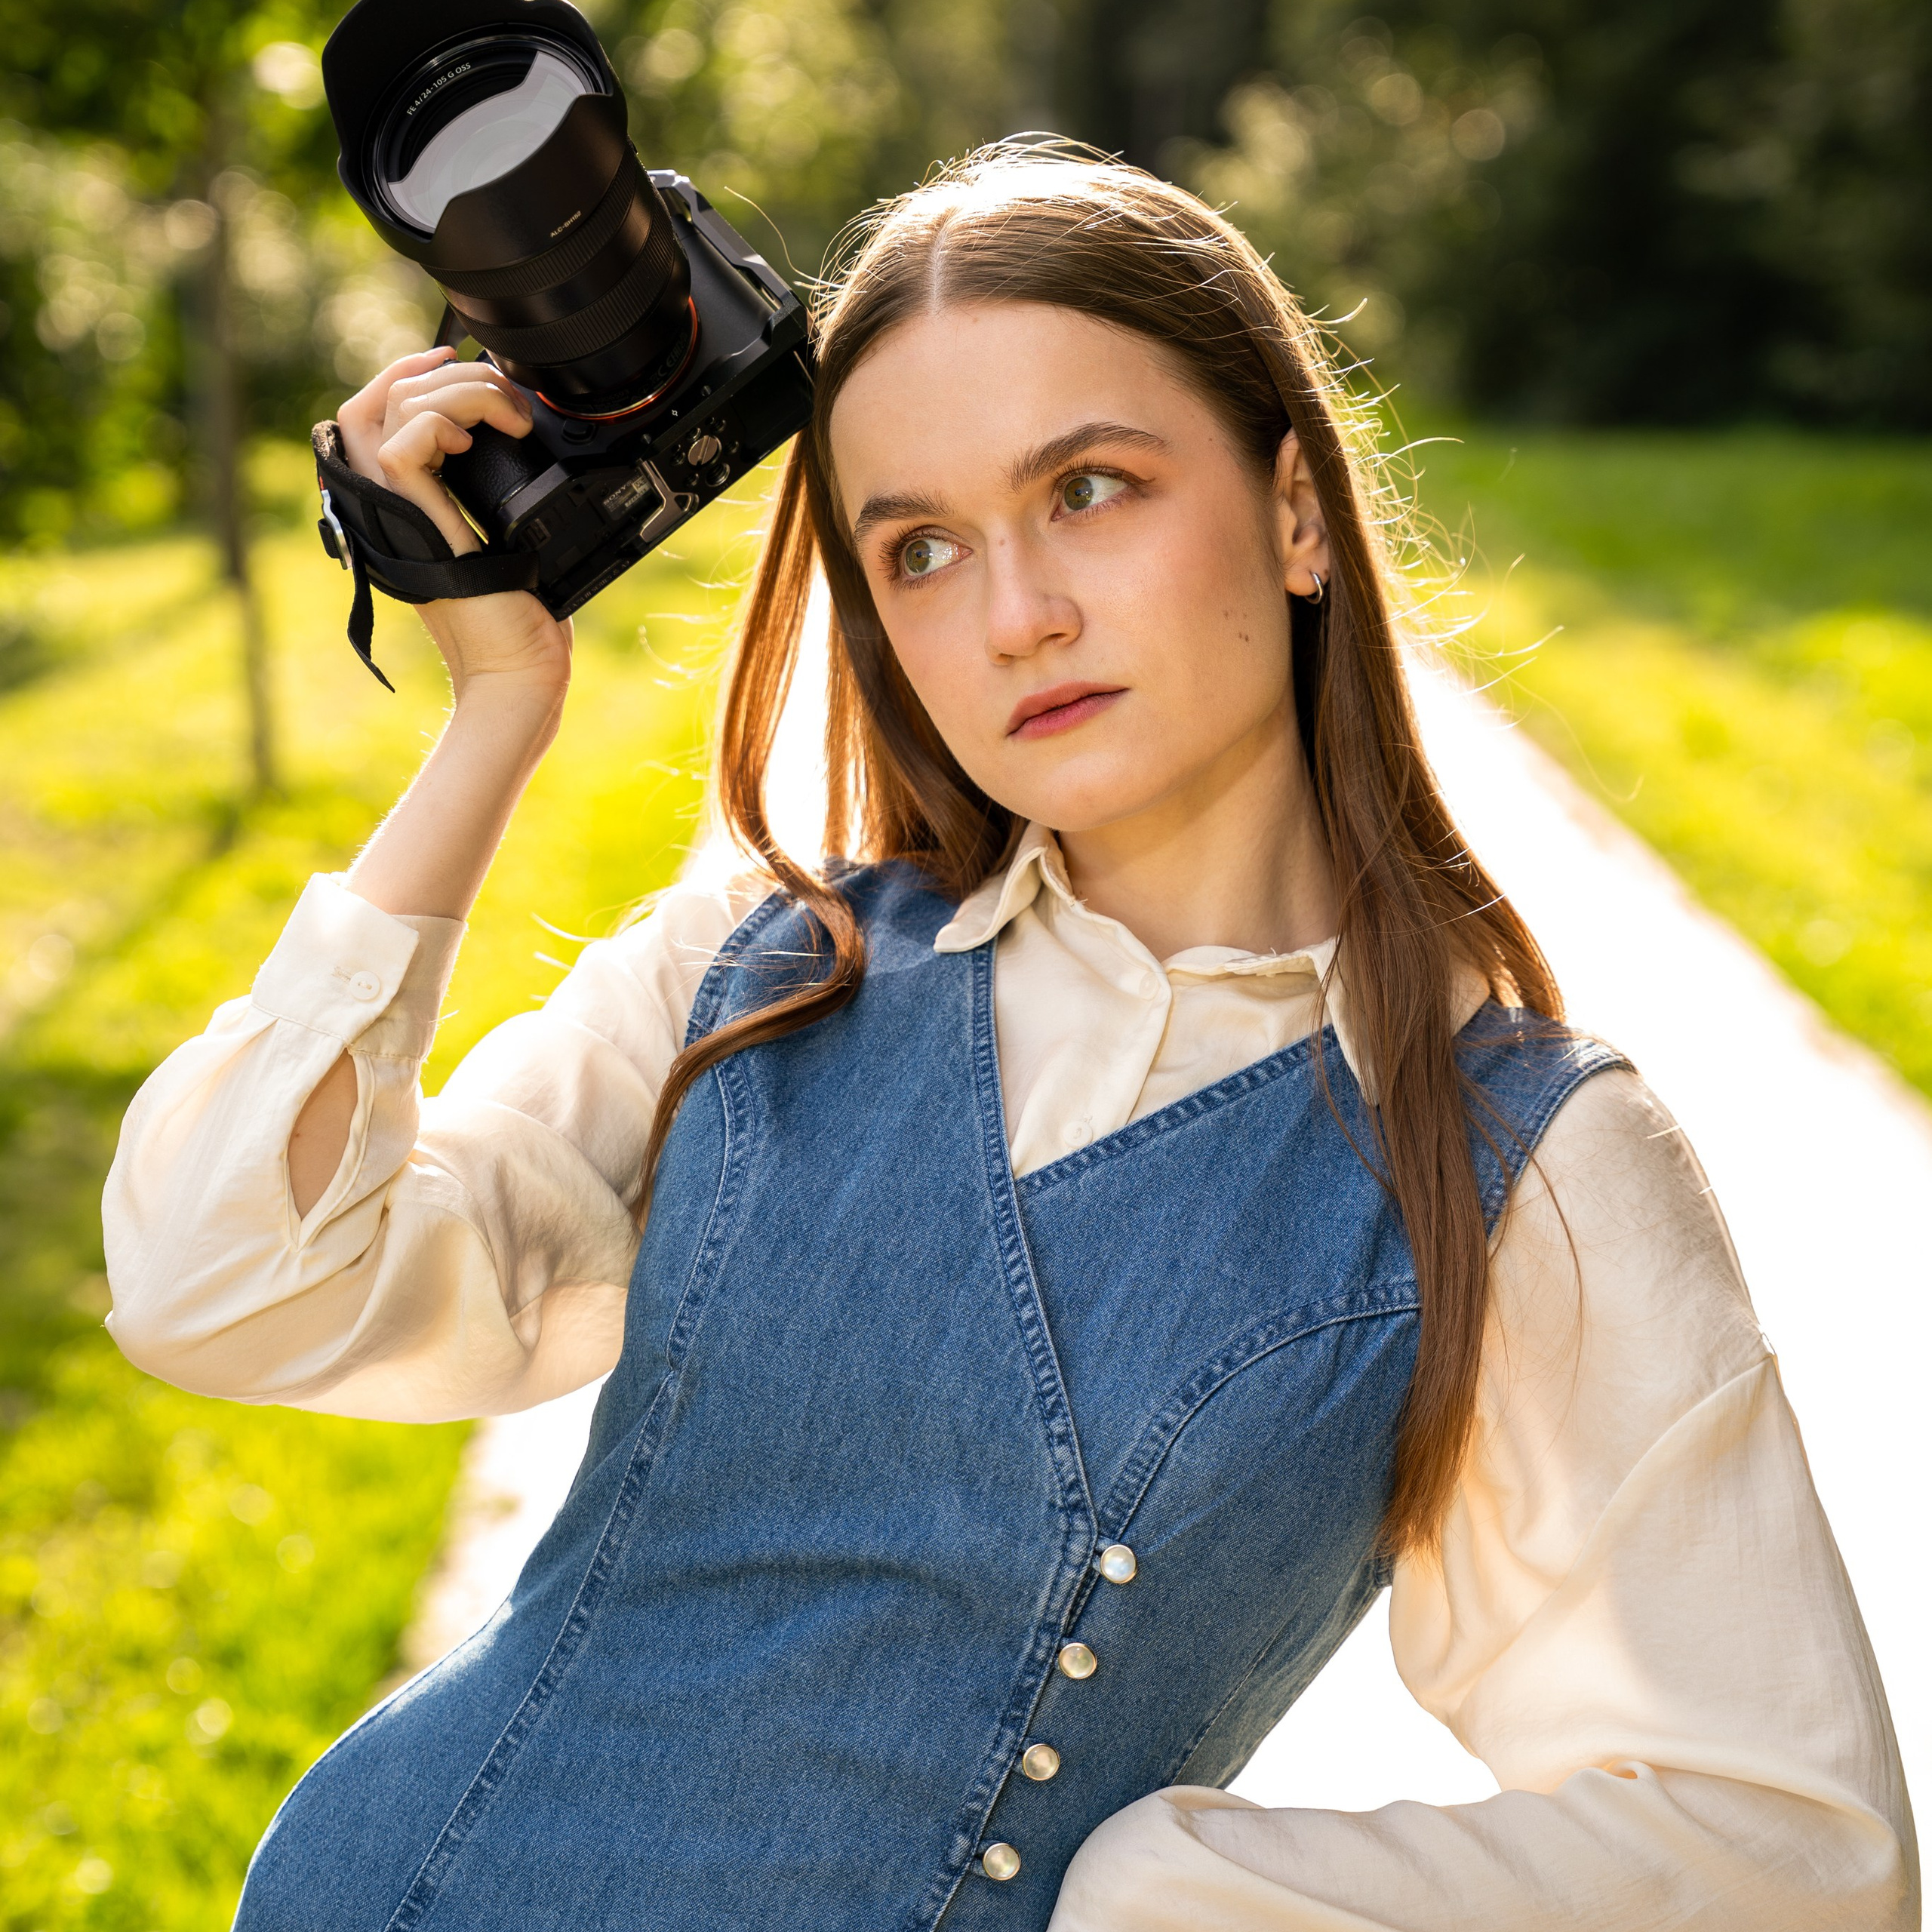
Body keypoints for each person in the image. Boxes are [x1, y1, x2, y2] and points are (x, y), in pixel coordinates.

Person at [103, 148, 1914, 1930]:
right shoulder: (758, 965)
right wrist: (494, 710)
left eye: (1092, 489)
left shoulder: (1518, 1156)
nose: (1015, 613)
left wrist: (1175, 1893)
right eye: (920, 547)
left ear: (1294, 509)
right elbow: (229, 1281)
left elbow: (1788, 1848)